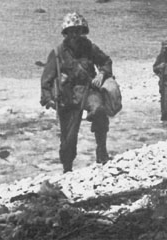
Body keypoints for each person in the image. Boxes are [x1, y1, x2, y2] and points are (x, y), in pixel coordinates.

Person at [40, 12, 113, 172]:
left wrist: (101, 74)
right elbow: (46, 79)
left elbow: (106, 61)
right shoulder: (58, 53)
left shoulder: (89, 47)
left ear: (82, 32)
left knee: (99, 111)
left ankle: (102, 150)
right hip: (67, 96)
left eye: (78, 31)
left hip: (88, 90)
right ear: (66, 33)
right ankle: (67, 168)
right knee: (68, 137)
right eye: (71, 31)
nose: (74, 35)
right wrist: (48, 99)